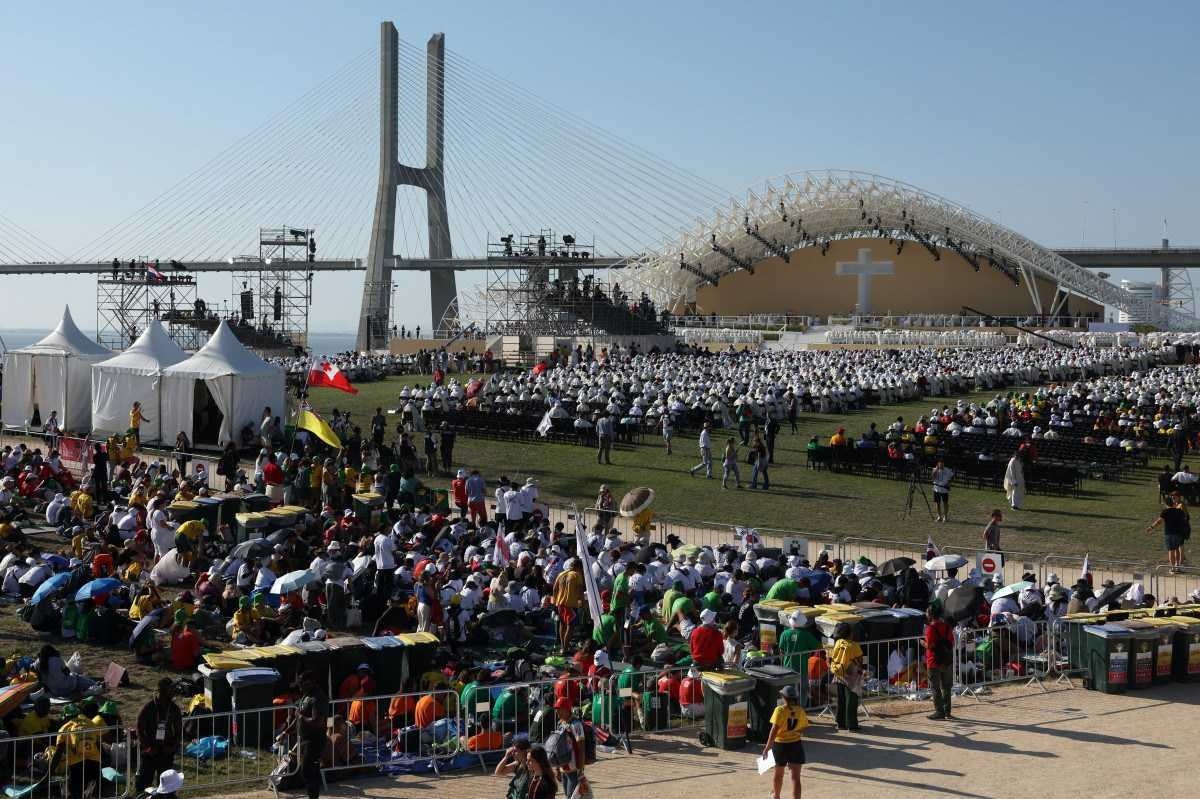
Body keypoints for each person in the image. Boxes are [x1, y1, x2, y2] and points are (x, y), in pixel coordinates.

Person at [136, 678, 184, 790]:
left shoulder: (174, 709)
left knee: (165, 787)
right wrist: (147, 747)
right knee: (144, 784)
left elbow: (179, 731)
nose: (173, 692)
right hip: (150, 752)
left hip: (166, 752)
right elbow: (139, 728)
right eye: (171, 689)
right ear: (163, 690)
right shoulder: (149, 707)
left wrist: (173, 747)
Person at [763, 684, 807, 799]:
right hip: (795, 744)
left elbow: (774, 730)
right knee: (795, 778)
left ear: (783, 696)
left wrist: (767, 747)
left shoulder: (780, 710)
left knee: (778, 774)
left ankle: (776, 796)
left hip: (780, 745)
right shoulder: (800, 711)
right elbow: (803, 728)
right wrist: (795, 733)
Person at [294, 671, 328, 799]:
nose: (300, 687)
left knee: (307, 771)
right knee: (311, 771)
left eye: (302, 684)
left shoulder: (318, 698)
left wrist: (301, 717)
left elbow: (317, 722)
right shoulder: (305, 696)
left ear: (310, 683)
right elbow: (297, 716)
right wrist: (286, 732)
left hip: (314, 740)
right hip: (305, 739)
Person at [829, 623, 863, 731]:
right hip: (851, 678)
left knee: (841, 700)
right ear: (849, 634)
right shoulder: (854, 646)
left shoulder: (838, 643)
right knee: (851, 701)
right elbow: (860, 659)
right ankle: (852, 724)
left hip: (839, 674)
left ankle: (841, 723)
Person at [552, 697, 586, 798]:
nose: (557, 713)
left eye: (560, 710)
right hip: (563, 769)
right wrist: (557, 768)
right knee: (568, 796)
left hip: (573, 770)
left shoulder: (576, 724)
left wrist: (580, 768)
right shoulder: (560, 724)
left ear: (567, 709)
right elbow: (557, 747)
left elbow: (581, 748)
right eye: (557, 710)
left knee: (571, 796)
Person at [924, 606, 954, 720]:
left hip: (933, 661)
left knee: (935, 688)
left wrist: (923, 643)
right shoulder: (947, 626)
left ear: (931, 615)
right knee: (946, 687)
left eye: (927, 612)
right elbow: (952, 643)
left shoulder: (930, 628)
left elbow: (930, 646)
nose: (926, 614)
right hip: (946, 661)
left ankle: (939, 711)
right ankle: (947, 711)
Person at [1146, 494, 1190, 572]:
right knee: (1177, 550)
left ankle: (1172, 568)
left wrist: (1151, 527)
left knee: (1171, 551)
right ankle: (1178, 566)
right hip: (1178, 534)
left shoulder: (1165, 512)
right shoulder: (1179, 511)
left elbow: (1159, 521)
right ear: (1173, 503)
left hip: (1169, 534)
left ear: (1166, 504)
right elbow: (1184, 519)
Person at [553, 559, 585, 654]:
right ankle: (565, 648)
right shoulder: (576, 575)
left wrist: (555, 601)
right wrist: (582, 602)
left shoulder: (561, 574)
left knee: (562, 624)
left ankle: (563, 646)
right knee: (570, 626)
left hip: (560, 603)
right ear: (578, 567)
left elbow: (555, 589)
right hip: (570, 604)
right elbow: (580, 591)